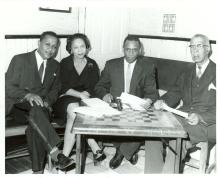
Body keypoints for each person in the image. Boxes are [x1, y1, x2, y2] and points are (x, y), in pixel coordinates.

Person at [5, 31, 75, 173]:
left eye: (55, 47)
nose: (51, 50)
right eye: (47, 45)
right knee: (37, 113)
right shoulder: (20, 59)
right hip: (18, 107)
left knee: (35, 125)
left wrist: (48, 101)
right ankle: (55, 152)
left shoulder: (55, 65)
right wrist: (28, 95)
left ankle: (38, 171)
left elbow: (56, 90)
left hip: (41, 109)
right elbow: (8, 87)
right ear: (39, 43)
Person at [153, 34, 216, 173]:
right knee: (154, 127)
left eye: (198, 46)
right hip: (184, 115)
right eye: (192, 47)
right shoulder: (187, 71)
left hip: (209, 123)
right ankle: (153, 172)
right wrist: (163, 101)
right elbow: (175, 92)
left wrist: (200, 117)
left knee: (177, 135)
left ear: (208, 49)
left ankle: (167, 173)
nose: (194, 51)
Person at [95, 35, 159, 169]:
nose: (130, 53)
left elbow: (152, 92)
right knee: (110, 123)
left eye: (134, 50)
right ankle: (130, 151)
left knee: (143, 125)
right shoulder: (111, 64)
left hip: (137, 108)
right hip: (116, 106)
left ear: (140, 50)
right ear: (123, 49)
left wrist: (148, 100)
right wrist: (105, 95)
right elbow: (99, 86)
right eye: (127, 49)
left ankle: (121, 152)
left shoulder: (148, 67)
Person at [52, 33, 106, 166]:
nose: (80, 50)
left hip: (85, 99)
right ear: (70, 49)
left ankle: (63, 157)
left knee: (75, 113)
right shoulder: (64, 63)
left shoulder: (92, 64)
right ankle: (93, 144)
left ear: (87, 47)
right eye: (75, 47)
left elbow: (94, 86)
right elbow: (62, 86)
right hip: (65, 99)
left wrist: (85, 95)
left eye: (82, 46)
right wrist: (80, 95)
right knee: (73, 108)